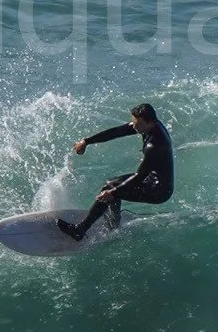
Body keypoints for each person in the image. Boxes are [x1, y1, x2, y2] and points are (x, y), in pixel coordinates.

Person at [60, 103, 173, 240]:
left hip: (158, 190)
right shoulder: (147, 125)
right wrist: (87, 141)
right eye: (133, 122)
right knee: (111, 183)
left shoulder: (154, 146)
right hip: (150, 178)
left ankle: (80, 230)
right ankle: (113, 222)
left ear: (150, 122)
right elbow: (116, 132)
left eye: (137, 124)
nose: (133, 126)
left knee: (109, 189)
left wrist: (113, 192)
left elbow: (139, 176)